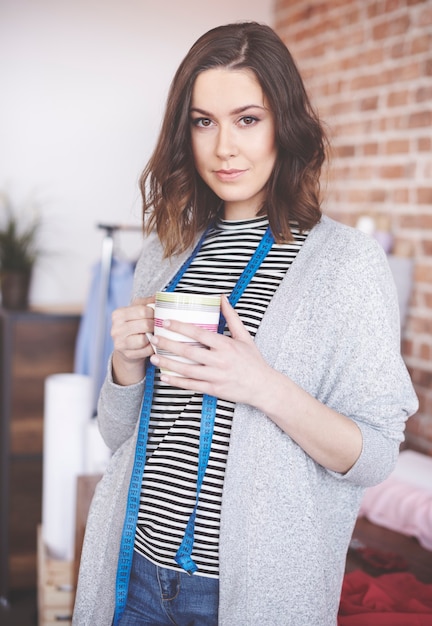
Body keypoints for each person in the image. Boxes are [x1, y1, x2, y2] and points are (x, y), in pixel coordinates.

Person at [73, 22, 418, 626]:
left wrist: (262, 386)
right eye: (203, 121)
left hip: (249, 595)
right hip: (133, 575)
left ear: (286, 122)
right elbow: (117, 433)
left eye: (247, 119)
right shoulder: (167, 250)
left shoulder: (345, 263)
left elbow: (375, 457)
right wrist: (123, 366)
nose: (223, 147)